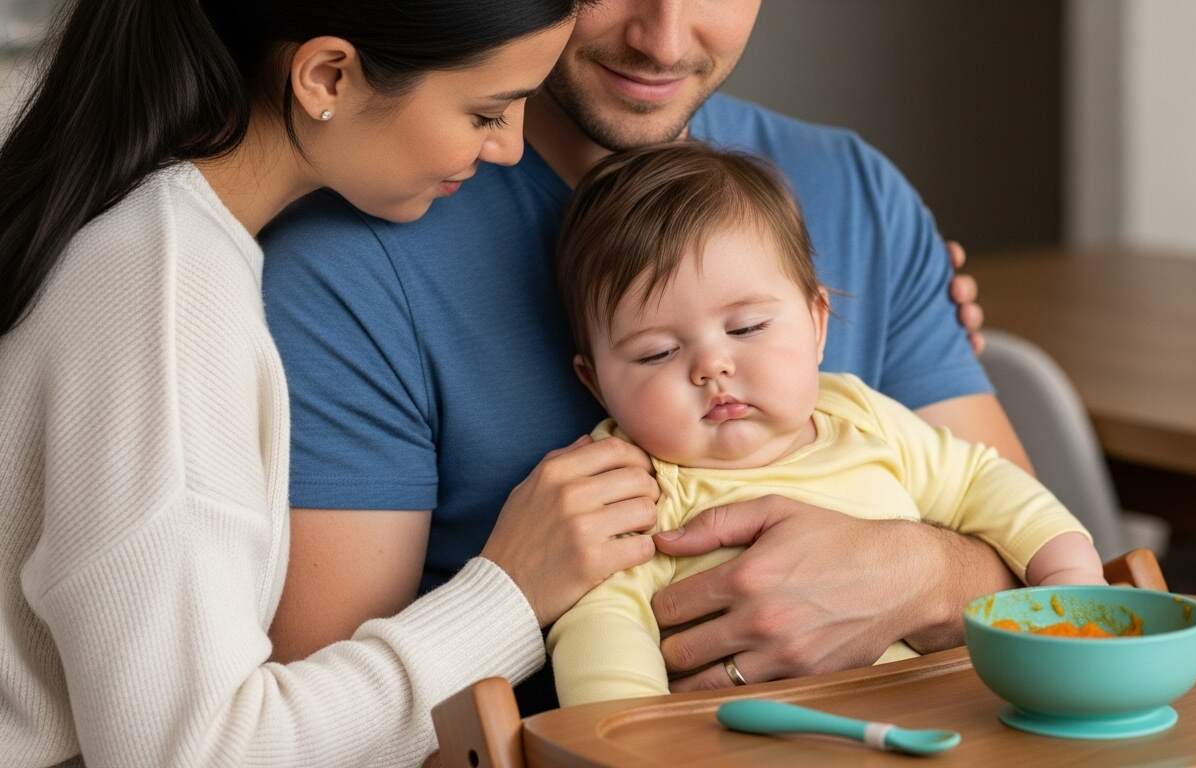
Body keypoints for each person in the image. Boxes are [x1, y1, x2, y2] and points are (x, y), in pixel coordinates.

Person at [260, 0, 1028, 707]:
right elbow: (332, 726)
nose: (661, 40)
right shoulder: (348, 264)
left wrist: (921, 575)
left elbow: (1037, 567)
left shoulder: (855, 190)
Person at [0, 1, 619, 766]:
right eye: (486, 111)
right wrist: (510, 595)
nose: (510, 148)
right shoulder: (165, 288)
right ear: (327, 76)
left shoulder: (158, 244)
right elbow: (195, 753)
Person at [546, 143, 1103, 706]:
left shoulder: (858, 414)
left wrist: (1065, 570)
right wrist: (629, 737)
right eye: (656, 353)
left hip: (936, 720)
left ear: (817, 323)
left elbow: (981, 481)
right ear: (596, 383)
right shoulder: (626, 485)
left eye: (747, 328)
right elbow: (602, 621)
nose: (713, 366)